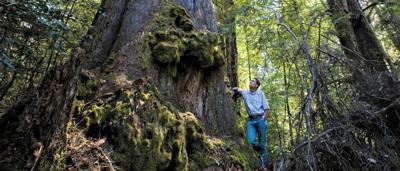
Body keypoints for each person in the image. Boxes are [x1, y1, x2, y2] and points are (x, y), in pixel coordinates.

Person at [233, 78, 269, 168]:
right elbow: (238, 90)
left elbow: (266, 108)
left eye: (253, 81)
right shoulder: (245, 93)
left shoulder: (260, 93)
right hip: (251, 121)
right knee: (250, 141)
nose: (250, 81)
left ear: (256, 85)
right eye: (250, 81)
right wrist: (234, 89)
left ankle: (264, 165)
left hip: (261, 119)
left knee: (262, 144)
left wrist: (263, 118)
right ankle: (257, 156)